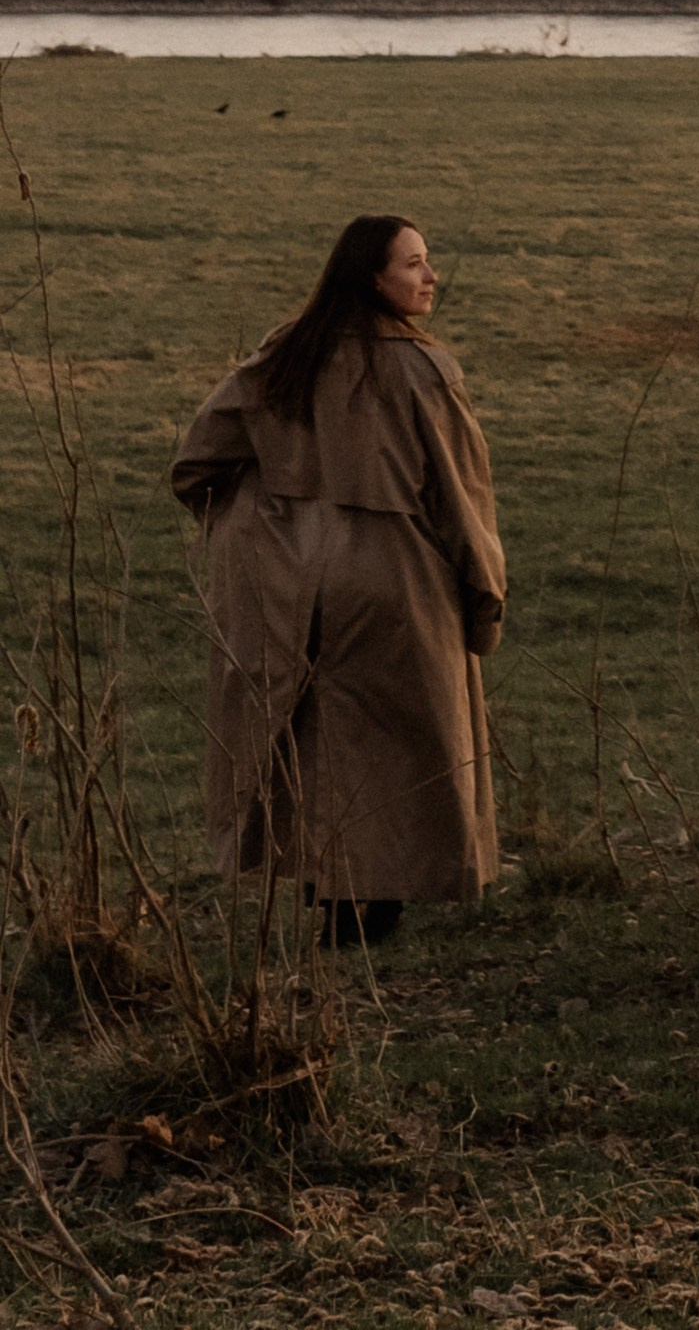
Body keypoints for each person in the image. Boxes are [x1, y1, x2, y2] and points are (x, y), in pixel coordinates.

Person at [171, 215, 505, 944]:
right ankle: (372, 911)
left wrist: (268, 521)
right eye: (414, 264)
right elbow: (461, 499)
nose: (430, 276)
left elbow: (196, 464)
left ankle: (335, 905)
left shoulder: (284, 354)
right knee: (400, 741)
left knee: (312, 736)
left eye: (427, 262)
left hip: (289, 583)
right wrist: (484, 598)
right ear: (372, 278)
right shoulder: (425, 372)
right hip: (396, 578)